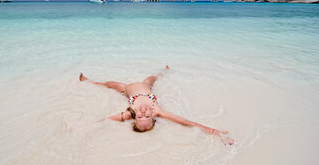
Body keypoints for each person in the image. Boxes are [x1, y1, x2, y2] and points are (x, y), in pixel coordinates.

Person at [79, 66, 235, 145]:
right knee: (151, 78)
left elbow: (108, 119)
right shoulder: (157, 110)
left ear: (135, 118)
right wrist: (213, 131)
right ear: (153, 118)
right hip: (147, 88)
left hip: (126, 89)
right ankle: (162, 72)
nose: (143, 112)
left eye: (140, 116)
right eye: (147, 116)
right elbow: (185, 122)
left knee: (110, 84)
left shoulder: (129, 113)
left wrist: (88, 126)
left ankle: (89, 81)